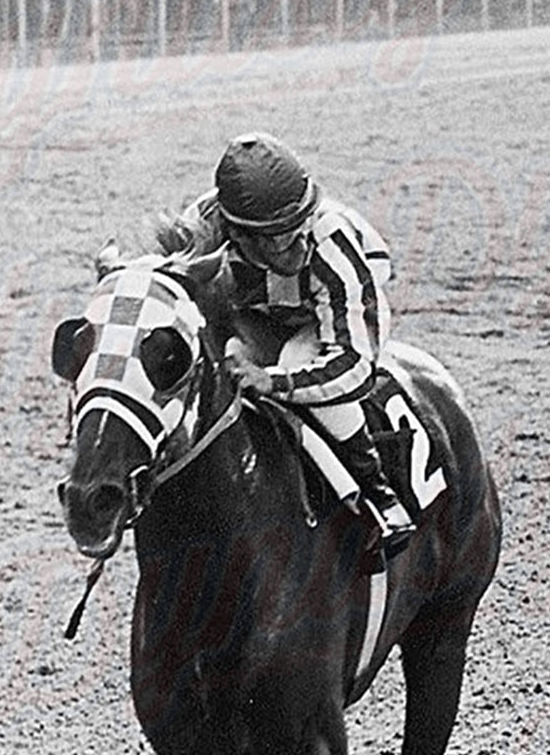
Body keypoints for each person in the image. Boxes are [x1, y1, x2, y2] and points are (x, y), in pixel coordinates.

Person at [176, 133, 415, 562]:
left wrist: (272, 381)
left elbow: (353, 364)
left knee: (295, 360)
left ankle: (379, 494)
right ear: (237, 232)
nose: (298, 242)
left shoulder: (330, 241)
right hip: (256, 307)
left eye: (299, 225)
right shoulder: (200, 229)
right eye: (277, 237)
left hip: (324, 311)